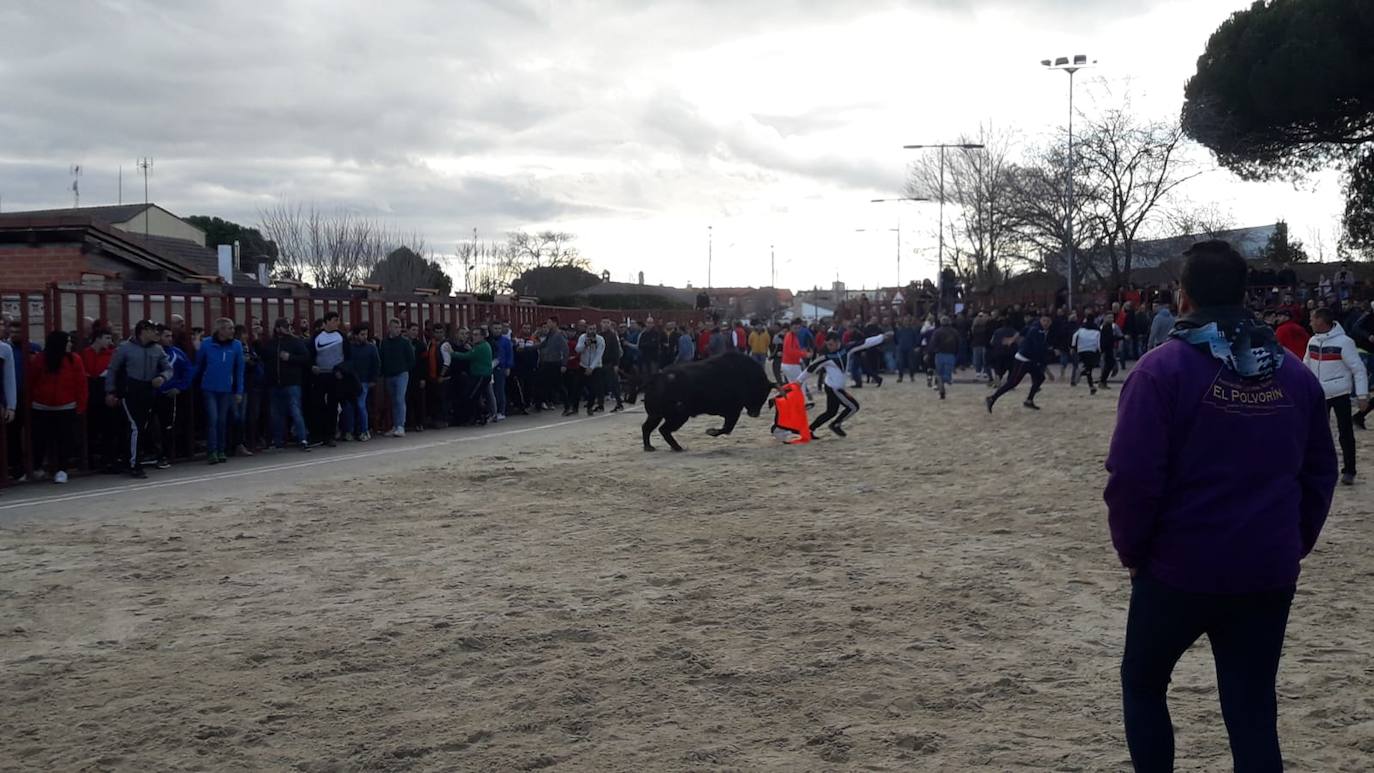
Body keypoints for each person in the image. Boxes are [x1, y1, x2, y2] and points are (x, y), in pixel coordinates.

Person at [1105, 240, 1337, 772]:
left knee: (1143, 685)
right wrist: (1293, 542)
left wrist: (1133, 551)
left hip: (1176, 569)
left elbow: (1132, 477)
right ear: (1244, 295)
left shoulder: (1160, 372)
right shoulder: (1295, 376)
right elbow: (1320, 470)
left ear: (1183, 299)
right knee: (1252, 707)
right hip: (1265, 569)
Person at [1304, 307, 1368, 485]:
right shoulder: (1312, 341)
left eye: (1312, 319)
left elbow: (1358, 369)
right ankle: (1317, 467)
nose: (1310, 322)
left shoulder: (1344, 342)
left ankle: (1349, 470)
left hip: (1340, 394)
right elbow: (1306, 365)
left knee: (1345, 433)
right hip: (1318, 395)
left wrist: (1362, 395)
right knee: (1315, 433)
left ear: (1321, 321)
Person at [105, 320, 173, 478]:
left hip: (148, 389)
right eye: (153, 330)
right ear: (143, 331)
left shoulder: (157, 349)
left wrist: (162, 377)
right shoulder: (125, 348)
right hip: (130, 390)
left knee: (140, 427)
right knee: (136, 426)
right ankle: (134, 464)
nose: (157, 333)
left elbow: (168, 368)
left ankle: (131, 459)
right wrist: (110, 391)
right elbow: (112, 369)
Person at [792, 330, 887, 437]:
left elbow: (864, 343)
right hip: (834, 388)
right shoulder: (826, 357)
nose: (829, 347)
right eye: (827, 345)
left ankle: (810, 430)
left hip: (834, 387)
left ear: (838, 342)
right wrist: (798, 381)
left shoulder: (847, 349)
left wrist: (881, 337)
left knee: (831, 412)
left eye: (831, 344)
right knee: (854, 407)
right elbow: (811, 368)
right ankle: (835, 424)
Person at [26, 330, 87, 484]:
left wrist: (80, 405)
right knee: (39, 440)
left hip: (66, 406)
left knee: (64, 440)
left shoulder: (74, 359)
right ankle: (38, 467)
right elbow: (32, 380)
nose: (70, 344)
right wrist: (32, 400)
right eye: (67, 341)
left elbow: (81, 384)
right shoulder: (41, 359)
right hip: (41, 406)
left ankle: (62, 469)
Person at [195, 318, 246, 465]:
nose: (232, 331)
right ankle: (212, 451)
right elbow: (199, 364)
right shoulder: (207, 343)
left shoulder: (236, 345)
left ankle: (221, 449)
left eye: (232, 328)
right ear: (221, 330)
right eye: (229, 328)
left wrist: (239, 391)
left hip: (226, 389)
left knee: (222, 420)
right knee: (213, 418)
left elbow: (239, 370)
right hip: (209, 388)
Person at [259, 317, 311, 452]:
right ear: (277, 328)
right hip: (275, 383)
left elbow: (306, 358)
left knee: (295, 411)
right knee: (276, 413)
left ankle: (302, 439)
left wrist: (290, 358)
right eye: (284, 326)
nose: (287, 328)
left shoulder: (295, 342)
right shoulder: (271, 343)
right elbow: (263, 356)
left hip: (292, 382)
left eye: (288, 326)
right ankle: (278, 441)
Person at [987, 314, 1051, 412]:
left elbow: (1023, 330)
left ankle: (1029, 400)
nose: (1046, 323)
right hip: (1023, 360)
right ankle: (992, 398)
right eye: (1044, 320)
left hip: (1030, 360)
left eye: (1048, 321)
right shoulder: (1035, 331)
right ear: (1041, 320)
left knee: (1040, 378)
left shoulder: (1036, 327)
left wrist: (1013, 339)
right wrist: (1050, 355)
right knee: (1012, 383)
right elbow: (1038, 350)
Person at [80, 327, 120, 471]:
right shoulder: (85, 354)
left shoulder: (112, 354)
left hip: (105, 393)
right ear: (97, 338)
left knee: (108, 429)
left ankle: (108, 459)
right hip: (90, 393)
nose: (110, 342)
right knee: (90, 429)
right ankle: (89, 460)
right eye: (107, 338)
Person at [311, 312, 347, 446]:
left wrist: (341, 370)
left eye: (338, 320)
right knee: (318, 404)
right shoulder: (317, 336)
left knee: (333, 406)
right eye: (334, 320)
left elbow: (348, 357)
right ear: (326, 321)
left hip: (335, 376)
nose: (337, 323)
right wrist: (312, 366)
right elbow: (310, 355)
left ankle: (330, 435)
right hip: (320, 375)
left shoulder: (341, 337)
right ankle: (318, 435)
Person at [451, 326, 496, 424]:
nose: (473, 337)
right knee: (475, 395)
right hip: (479, 374)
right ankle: (480, 415)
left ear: (482, 336)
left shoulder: (481, 347)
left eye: (476, 335)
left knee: (472, 396)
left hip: (481, 375)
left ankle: (484, 413)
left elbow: (467, 356)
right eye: (473, 335)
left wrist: (452, 353)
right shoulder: (480, 345)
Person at [378, 319, 414, 437]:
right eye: (395, 327)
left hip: (401, 374)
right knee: (393, 400)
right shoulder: (384, 342)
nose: (398, 330)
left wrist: (404, 368)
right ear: (389, 328)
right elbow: (381, 357)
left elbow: (411, 359)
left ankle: (401, 426)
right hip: (389, 375)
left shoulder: (405, 342)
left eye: (399, 327)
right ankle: (395, 425)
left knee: (399, 398)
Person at [537, 317, 567, 412]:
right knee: (542, 384)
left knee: (558, 385)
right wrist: (527, 348)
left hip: (555, 363)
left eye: (549, 322)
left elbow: (565, 350)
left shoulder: (559, 334)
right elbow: (542, 345)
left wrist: (564, 364)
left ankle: (568, 404)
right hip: (546, 363)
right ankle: (540, 404)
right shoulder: (550, 334)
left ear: (555, 323)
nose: (547, 324)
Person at [576, 323, 607, 417]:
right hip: (583, 365)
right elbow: (577, 349)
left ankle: (590, 407)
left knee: (593, 389)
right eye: (590, 329)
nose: (592, 331)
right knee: (577, 387)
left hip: (596, 366)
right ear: (586, 330)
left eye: (594, 329)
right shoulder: (582, 337)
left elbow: (599, 354)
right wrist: (586, 344)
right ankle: (574, 407)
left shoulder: (600, 339)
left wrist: (591, 367)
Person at [929, 316, 960, 400]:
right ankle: (945, 383)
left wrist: (931, 352)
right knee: (946, 374)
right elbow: (958, 344)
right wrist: (956, 354)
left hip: (939, 354)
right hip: (950, 355)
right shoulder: (955, 332)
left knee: (939, 373)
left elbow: (933, 344)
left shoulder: (937, 332)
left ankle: (941, 390)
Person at [1070, 318, 1102, 395]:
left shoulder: (1080, 330)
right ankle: (1084, 375)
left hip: (1081, 350)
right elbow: (1099, 342)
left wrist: (1073, 347)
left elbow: (1074, 336)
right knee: (1089, 369)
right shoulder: (1097, 331)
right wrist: (1099, 350)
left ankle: (1091, 387)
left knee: (1088, 370)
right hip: (1092, 350)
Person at [599, 318, 624, 413]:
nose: (605, 324)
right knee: (599, 385)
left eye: (607, 323)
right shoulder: (599, 335)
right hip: (600, 362)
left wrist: (616, 364)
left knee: (613, 384)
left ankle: (619, 403)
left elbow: (616, 350)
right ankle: (600, 405)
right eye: (603, 322)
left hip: (610, 363)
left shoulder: (613, 335)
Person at [491, 322, 514, 422]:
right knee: (491, 391)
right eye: (495, 328)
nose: (497, 330)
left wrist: (508, 367)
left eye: (499, 328)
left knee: (500, 390)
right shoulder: (489, 341)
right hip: (490, 368)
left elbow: (510, 354)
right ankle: (493, 411)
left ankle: (501, 411)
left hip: (501, 368)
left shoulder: (506, 341)